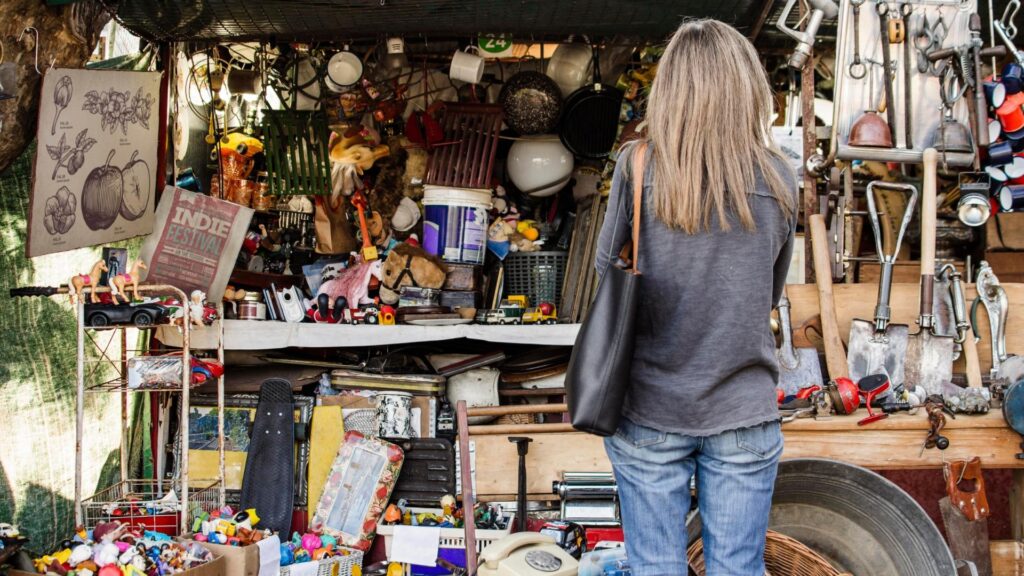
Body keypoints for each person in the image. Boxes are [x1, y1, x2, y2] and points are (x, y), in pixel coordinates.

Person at [594, 19, 798, 576]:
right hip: (743, 408)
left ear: (671, 88)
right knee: (737, 568)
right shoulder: (781, 178)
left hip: (650, 405)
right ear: (747, 87)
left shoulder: (637, 166)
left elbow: (607, 277)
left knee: (655, 567)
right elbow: (768, 291)